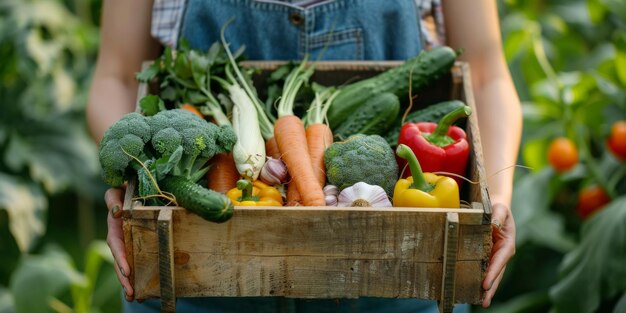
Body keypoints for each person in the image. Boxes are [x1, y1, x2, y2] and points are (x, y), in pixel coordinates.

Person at [87, 0, 521, 312]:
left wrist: (496, 195)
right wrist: (130, 178)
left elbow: (483, 74)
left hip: (400, 280)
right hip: (195, 283)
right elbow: (118, 74)